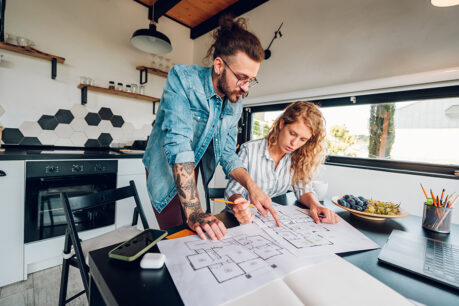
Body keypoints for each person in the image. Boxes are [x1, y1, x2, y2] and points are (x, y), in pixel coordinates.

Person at [142, 16, 281, 241]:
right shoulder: (183, 79)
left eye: (251, 80)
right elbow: (178, 145)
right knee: (177, 237)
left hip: (192, 166)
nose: (245, 88)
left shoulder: (235, 100)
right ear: (219, 65)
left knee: (195, 235)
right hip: (166, 166)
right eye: (242, 78)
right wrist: (195, 211)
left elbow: (227, 153)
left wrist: (252, 187)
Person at [224, 101, 339, 224]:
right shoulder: (250, 150)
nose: (294, 143)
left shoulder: (298, 156)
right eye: (292, 133)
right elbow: (233, 191)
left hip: (267, 220)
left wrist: (315, 205)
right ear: (282, 124)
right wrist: (240, 204)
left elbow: (303, 189)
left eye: (303, 139)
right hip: (238, 219)